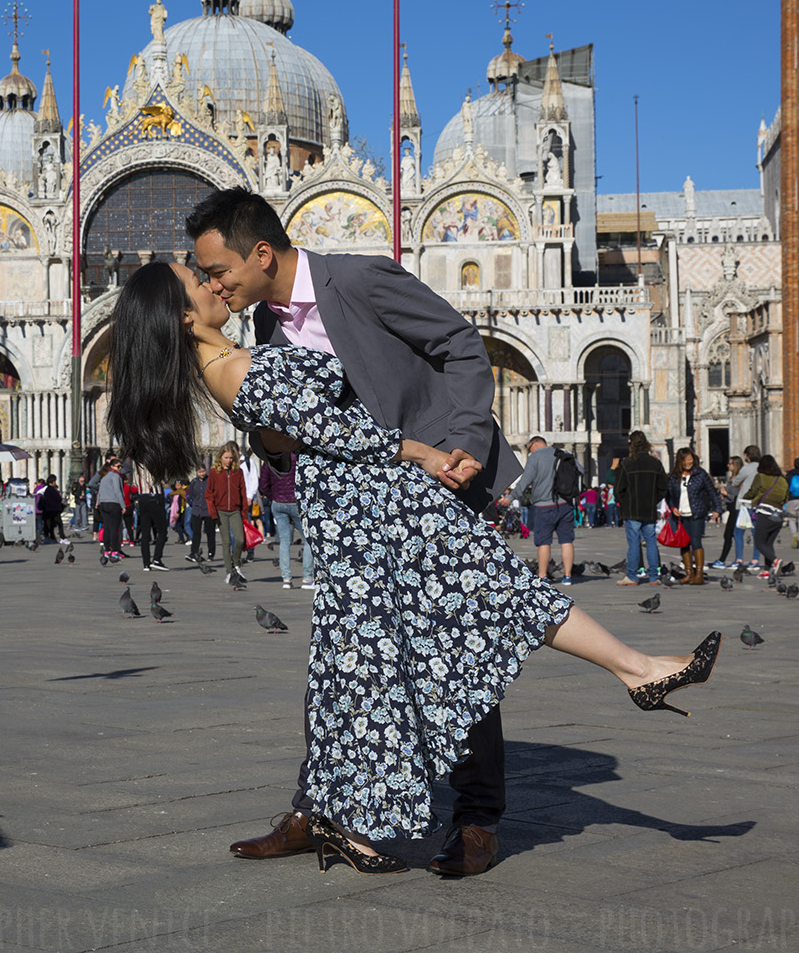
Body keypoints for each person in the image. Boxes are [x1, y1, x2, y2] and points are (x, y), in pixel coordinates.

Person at [106, 261, 720, 871]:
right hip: (380, 508)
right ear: (185, 315)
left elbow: (305, 429)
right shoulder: (234, 367)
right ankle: (636, 673)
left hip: (373, 508)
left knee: (383, 659)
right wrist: (420, 452)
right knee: (472, 612)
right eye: (198, 280)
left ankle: (347, 818)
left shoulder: (237, 355)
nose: (214, 283)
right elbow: (339, 432)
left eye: (211, 270)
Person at [189, 186, 525, 877]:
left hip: (436, 485)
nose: (211, 284)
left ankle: (475, 815)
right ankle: (322, 809)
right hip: (357, 518)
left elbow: (460, 343)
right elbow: (307, 435)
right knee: (341, 659)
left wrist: (461, 442)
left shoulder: (360, 277)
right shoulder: (265, 330)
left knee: (454, 651)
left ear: (260, 252)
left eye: (217, 270)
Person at [508, 436, 580, 585]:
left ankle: (542, 577)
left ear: (534, 444)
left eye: (529, 449)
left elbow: (525, 481)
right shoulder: (563, 453)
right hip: (565, 504)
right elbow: (579, 469)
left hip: (544, 506)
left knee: (543, 542)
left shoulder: (536, 458)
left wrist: (511, 497)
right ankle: (567, 576)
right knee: (566, 541)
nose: (530, 452)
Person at [613, 430, 668, 585]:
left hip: (631, 510)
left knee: (634, 543)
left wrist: (625, 503)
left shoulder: (626, 463)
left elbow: (618, 490)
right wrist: (653, 501)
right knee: (650, 542)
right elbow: (663, 487)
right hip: (649, 510)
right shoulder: (655, 463)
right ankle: (653, 577)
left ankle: (631, 576)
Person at [667, 447, 722, 585]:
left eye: (690, 459)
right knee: (684, 544)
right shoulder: (673, 476)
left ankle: (699, 574)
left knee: (696, 541)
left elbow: (712, 492)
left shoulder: (700, 474)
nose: (688, 462)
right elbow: (669, 496)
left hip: (697, 513)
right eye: (685, 460)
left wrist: (717, 509)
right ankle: (688, 574)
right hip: (681, 515)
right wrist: (673, 508)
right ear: (680, 461)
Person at [261, 452, 313, 589]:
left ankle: (286, 579)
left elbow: (263, 485)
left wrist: (274, 497)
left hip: (277, 503)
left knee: (284, 541)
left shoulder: (270, 458)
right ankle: (307, 578)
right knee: (308, 540)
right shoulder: (298, 457)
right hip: (295, 502)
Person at [206, 443, 249, 578]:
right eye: (226, 458)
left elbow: (243, 492)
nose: (229, 460)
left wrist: (244, 513)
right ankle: (229, 572)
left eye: (231, 458)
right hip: (220, 510)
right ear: (220, 458)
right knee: (226, 542)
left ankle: (236, 563)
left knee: (240, 540)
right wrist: (213, 512)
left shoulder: (238, 472)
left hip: (235, 510)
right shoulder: (214, 472)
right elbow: (209, 493)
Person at [743, 455, 790, 577]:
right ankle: (767, 571)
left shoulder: (760, 477)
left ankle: (775, 561)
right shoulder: (782, 480)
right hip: (778, 515)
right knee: (768, 544)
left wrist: (744, 498)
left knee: (759, 543)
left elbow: (753, 491)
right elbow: (785, 498)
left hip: (765, 513)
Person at [135, 482, 170, 571]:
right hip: (154, 497)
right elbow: (163, 480)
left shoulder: (138, 467)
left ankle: (146, 563)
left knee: (145, 532)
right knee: (162, 530)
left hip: (142, 498)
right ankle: (157, 559)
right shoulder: (156, 467)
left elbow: (135, 483)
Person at [96, 460, 127, 560]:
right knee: (114, 528)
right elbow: (118, 491)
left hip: (104, 504)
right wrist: (123, 505)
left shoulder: (104, 477)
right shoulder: (116, 476)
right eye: (118, 466)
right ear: (112, 466)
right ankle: (114, 551)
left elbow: (100, 491)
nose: (120, 469)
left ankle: (107, 550)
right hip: (114, 503)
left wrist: (99, 503)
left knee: (107, 528)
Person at [185, 464, 216, 562]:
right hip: (197, 510)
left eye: (203, 471)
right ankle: (193, 552)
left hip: (208, 510)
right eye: (199, 472)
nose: (202, 474)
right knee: (196, 533)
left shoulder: (210, 481)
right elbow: (190, 495)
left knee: (210, 532)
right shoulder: (194, 482)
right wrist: (193, 504)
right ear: (196, 472)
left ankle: (211, 553)